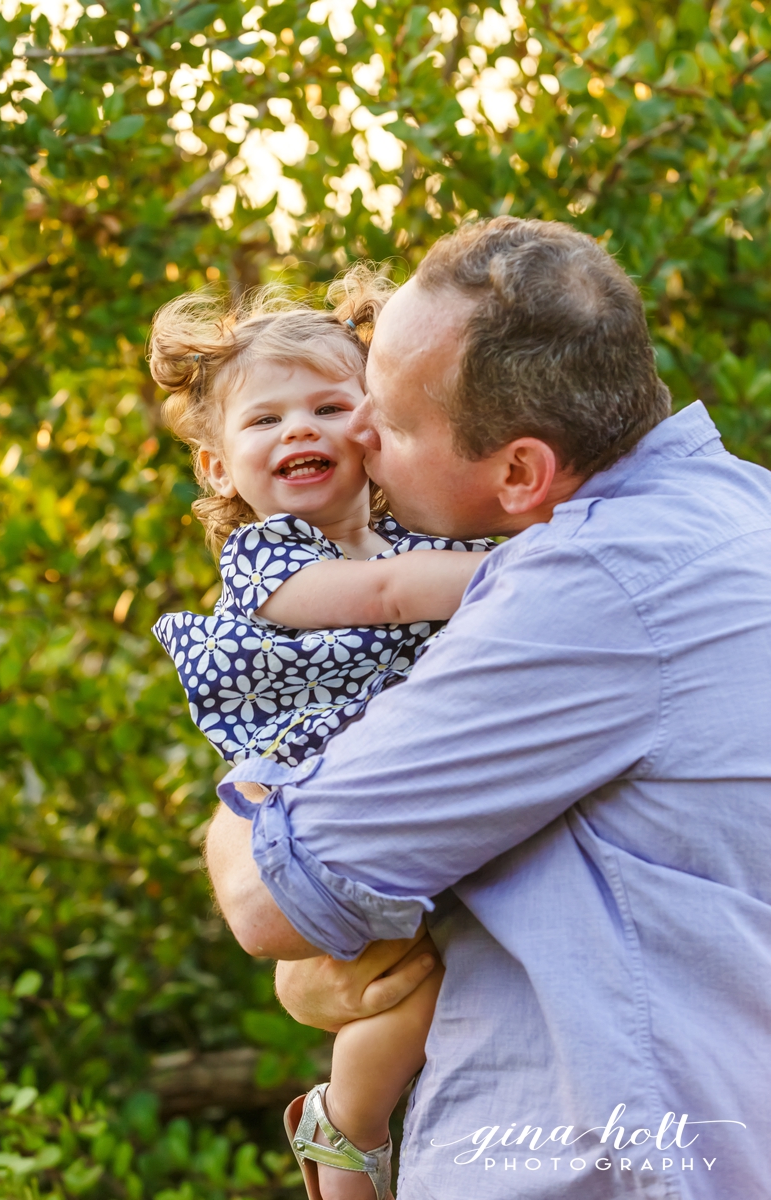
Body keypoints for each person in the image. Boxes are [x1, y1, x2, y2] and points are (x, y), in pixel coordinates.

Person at [206, 216, 771, 1200]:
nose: (358, 442)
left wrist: (249, 786)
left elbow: (267, 901)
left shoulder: (585, 586)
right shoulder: (738, 511)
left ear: (519, 472)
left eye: (387, 421)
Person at [147, 270, 493, 1200]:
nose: (298, 430)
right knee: (404, 989)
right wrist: (525, 576)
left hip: (392, 802)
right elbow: (382, 600)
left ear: (373, 428)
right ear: (219, 468)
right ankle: (348, 1133)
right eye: (264, 421)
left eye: (329, 406)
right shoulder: (269, 555)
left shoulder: (414, 537)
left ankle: (351, 1127)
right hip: (304, 782)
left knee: (427, 974)